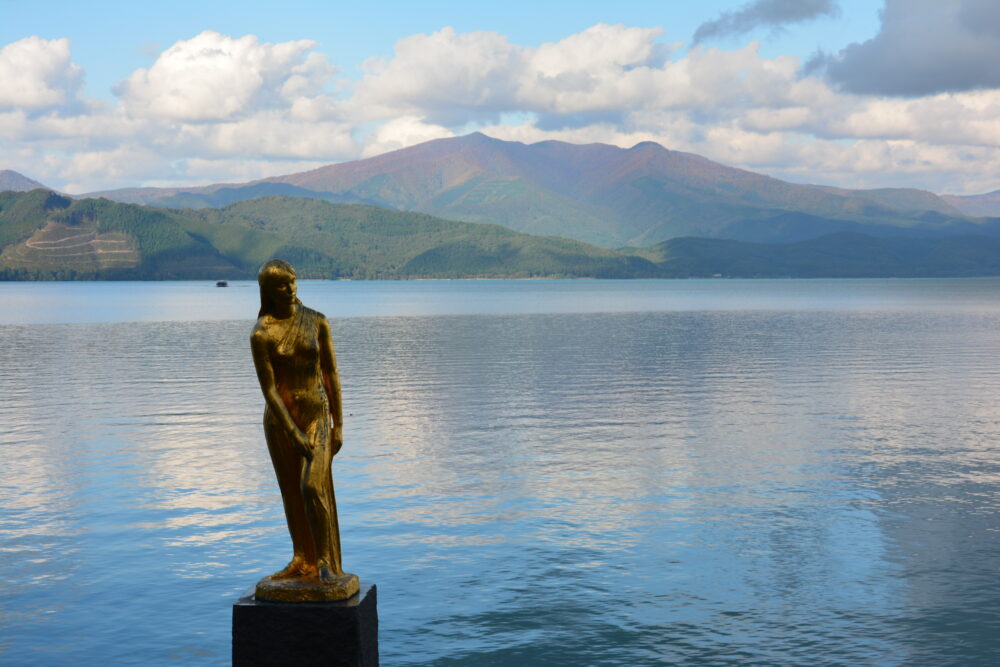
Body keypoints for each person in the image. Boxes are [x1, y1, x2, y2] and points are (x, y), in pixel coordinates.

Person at [250, 259, 354, 595]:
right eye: (281, 285)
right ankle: (302, 558)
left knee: (312, 486)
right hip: (281, 422)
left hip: (316, 415)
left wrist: (338, 424)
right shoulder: (261, 333)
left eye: (292, 281)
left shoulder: (317, 321)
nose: (290, 289)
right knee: (292, 493)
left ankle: (324, 563)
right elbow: (268, 389)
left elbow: (331, 375)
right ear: (268, 290)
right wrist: (292, 433)